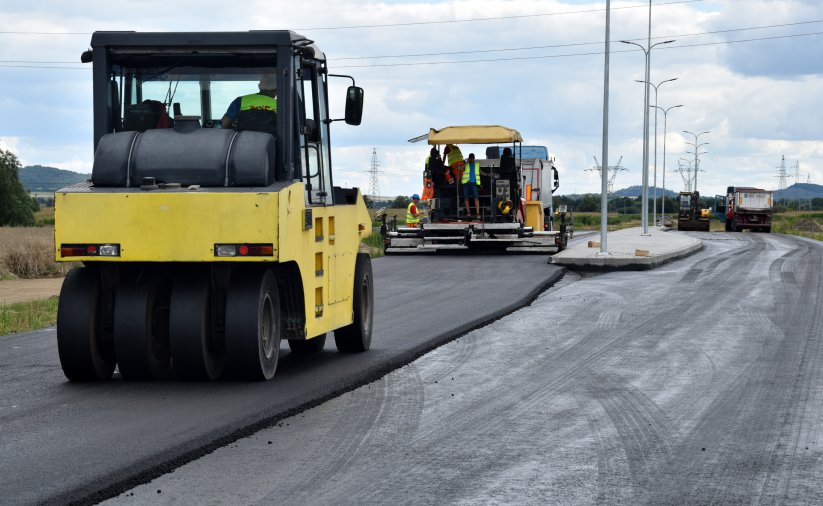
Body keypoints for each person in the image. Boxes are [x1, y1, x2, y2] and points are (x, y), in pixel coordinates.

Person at [462, 153, 487, 218]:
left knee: (476, 197)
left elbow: (481, 172)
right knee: (466, 197)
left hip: (473, 184)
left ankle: (478, 213)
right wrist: (466, 163)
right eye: (470, 158)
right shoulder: (466, 164)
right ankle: (468, 212)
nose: (471, 159)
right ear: (469, 158)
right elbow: (459, 168)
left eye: (472, 158)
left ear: (474, 158)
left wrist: (488, 174)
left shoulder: (476, 165)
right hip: (466, 183)